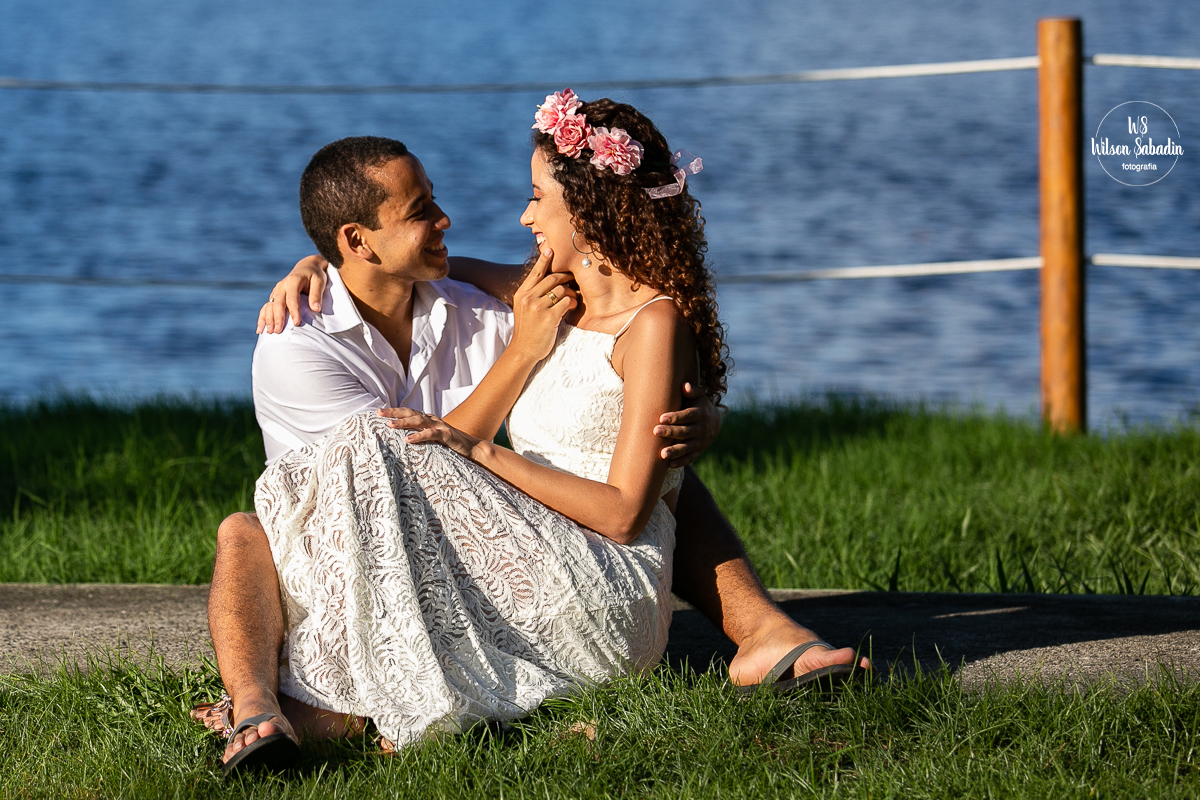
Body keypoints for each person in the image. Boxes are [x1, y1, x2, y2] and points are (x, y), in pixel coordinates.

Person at [199, 96, 868, 774]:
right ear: (356, 241)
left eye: (534, 197)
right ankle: (261, 706)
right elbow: (382, 476)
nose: (450, 220)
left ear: (588, 212)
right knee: (251, 524)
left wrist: (699, 415)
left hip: (568, 557)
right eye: (420, 211)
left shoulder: (508, 307)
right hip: (364, 546)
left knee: (658, 463)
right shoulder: (298, 345)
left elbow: (620, 349)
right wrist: (321, 267)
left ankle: (759, 631)